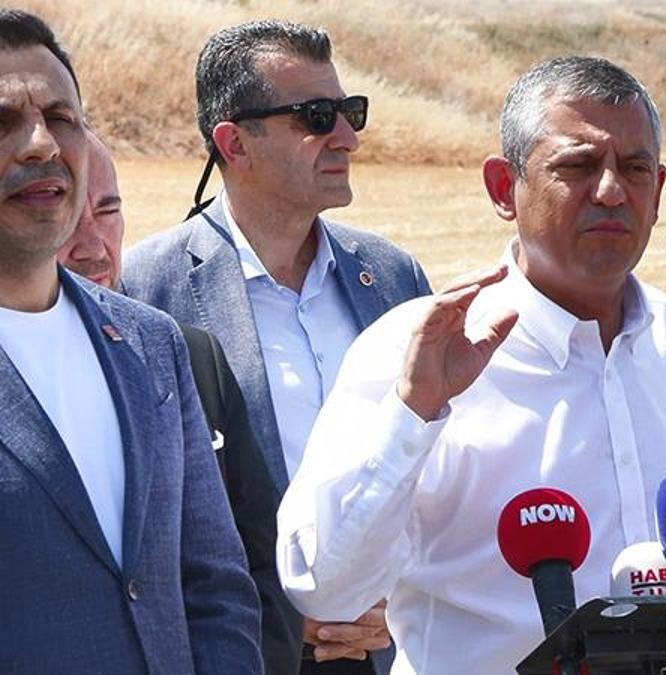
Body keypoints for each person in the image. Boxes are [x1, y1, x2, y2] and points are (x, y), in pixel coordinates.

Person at [277, 55, 666, 673]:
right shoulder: (414, 350)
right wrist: (414, 413)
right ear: (502, 188)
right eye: (577, 166)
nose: (611, 190)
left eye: (635, 168)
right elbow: (324, 587)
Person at [123, 20, 431, 672]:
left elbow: (437, 467)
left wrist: (400, 602)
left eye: (350, 111)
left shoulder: (394, 278)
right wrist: (285, 612)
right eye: (317, 117)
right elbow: (147, 513)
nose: (347, 137)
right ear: (234, 143)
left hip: (392, 647)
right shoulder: (146, 291)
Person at [0, 9, 261, 672]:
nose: (40, 144)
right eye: (2, 122)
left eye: (61, 117)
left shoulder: (150, 344)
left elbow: (216, 588)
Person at [57, 129, 302, 674]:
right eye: (66, 218)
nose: (93, 247)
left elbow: (258, 567)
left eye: (108, 211)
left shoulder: (188, 357)